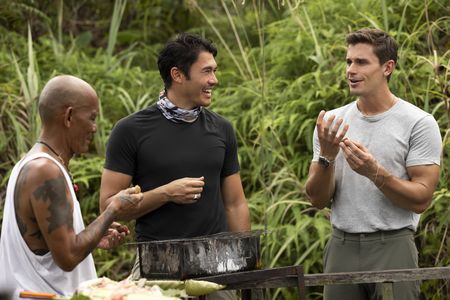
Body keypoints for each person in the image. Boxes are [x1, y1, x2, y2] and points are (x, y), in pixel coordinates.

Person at [99, 33, 250, 298]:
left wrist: (244, 269)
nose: (214, 80)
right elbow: (109, 208)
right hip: (156, 266)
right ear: (178, 75)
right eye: (206, 72)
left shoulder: (222, 129)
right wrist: (166, 193)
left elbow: (235, 203)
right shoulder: (130, 130)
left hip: (216, 264)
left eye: (214, 71)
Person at [305, 28, 441, 300]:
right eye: (348, 62)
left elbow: (421, 198)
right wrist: (327, 157)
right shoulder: (331, 123)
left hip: (393, 245)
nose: (350, 70)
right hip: (341, 244)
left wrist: (375, 173)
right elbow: (317, 200)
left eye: (361, 62)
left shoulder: (418, 122)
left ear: (387, 67)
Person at [0, 75, 143, 299]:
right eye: (92, 118)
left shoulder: (34, 163)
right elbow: (67, 256)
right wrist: (113, 208)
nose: (95, 128)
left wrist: (94, 235)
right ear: (68, 116)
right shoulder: (45, 171)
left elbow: (54, 245)